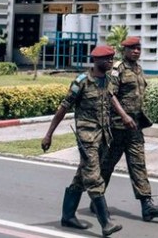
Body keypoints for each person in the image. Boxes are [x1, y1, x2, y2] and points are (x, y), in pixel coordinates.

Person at [41, 45, 129, 236]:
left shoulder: (107, 80)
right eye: (107, 59)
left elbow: (111, 97)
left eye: (112, 58)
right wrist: (49, 134)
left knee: (81, 176)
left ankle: (68, 216)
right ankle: (105, 223)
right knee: (93, 177)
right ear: (96, 61)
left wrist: (124, 116)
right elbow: (63, 108)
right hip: (87, 137)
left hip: (103, 136)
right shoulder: (81, 81)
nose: (110, 62)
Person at [98, 36, 158, 222]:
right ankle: (96, 199)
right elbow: (110, 93)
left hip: (135, 126)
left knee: (138, 164)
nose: (136, 51)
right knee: (107, 165)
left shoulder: (138, 69)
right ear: (125, 50)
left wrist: (134, 118)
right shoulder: (118, 69)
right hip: (118, 126)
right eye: (132, 48)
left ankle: (147, 206)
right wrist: (123, 115)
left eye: (138, 48)